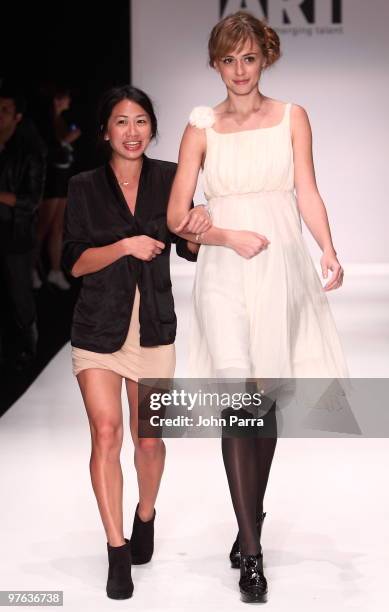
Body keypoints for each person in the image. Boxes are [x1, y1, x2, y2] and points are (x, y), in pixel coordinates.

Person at [167, 10, 348, 604]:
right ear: (215, 63)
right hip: (223, 266)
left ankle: (252, 520)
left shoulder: (293, 117)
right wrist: (216, 233)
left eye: (249, 58)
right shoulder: (200, 126)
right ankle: (252, 549)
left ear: (264, 57)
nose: (239, 70)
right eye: (228, 59)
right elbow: (176, 216)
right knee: (234, 396)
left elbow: (307, 188)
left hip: (278, 262)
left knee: (261, 397)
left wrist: (329, 248)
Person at [61, 85, 199, 600]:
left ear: (151, 128)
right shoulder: (83, 186)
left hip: (154, 327)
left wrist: (194, 232)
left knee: (148, 439)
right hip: (97, 328)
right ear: (105, 131)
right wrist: (122, 245)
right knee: (105, 433)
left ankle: (145, 515)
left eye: (141, 120)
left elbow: (187, 246)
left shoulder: (168, 178)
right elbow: (73, 262)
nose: (132, 131)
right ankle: (117, 549)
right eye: (122, 121)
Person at [0, 85, 46, 369]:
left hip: (15, 234)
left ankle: (28, 345)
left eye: (5, 111)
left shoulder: (30, 151)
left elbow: (32, 200)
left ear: (17, 116)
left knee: (19, 293)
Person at [35, 85, 81, 290]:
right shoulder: (44, 122)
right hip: (51, 177)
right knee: (43, 226)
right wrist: (65, 141)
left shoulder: (61, 120)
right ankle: (31, 269)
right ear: (57, 100)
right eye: (66, 98)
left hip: (63, 176)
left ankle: (55, 271)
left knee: (58, 227)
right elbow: (46, 149)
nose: (69, 102)